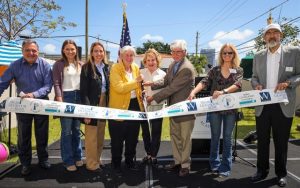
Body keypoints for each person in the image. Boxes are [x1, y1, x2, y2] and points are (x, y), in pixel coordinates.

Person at [251, 23, 300, 187]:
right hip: (263, 105)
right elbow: (254, 77)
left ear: (281, 35)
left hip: (283, 104)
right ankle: (261, 171)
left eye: (275, 32)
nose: (272, 35)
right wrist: (256, 85)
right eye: (268, 33)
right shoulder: (258, 55)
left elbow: (299, 75)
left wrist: (288, 83)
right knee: (262, 141)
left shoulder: (294, 52)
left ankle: (281, 174)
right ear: (264, 37)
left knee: (281, 142)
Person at [188, 43, 243, 177]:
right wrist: (193, 92)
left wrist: (223, 91)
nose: (227, 55)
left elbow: (238, 84)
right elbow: (205, 82)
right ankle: (214, 163)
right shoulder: (215, 70)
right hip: (215, 109)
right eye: (224, 53)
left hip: (230, 109)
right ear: (221, 55)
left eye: (230, 53)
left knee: (228, 138)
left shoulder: (238, 70)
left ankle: (225, 166)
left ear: (234, 54)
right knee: (215, 137)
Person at [0, 39, 53, 176]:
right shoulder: (14, 65)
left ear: (38, 51)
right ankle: (25, 164)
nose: (31, 53)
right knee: (24, 136)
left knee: (42, 134)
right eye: (28, 50)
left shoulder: (45, 65)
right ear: (22, 51)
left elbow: (48, 86)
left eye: (34, 50)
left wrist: (34, 94)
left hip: (41, 104)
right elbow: (2, 82)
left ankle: (43, 159)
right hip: (23, 106)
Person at [146, 40, 196, 177]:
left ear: (185, 52)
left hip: (185, 109)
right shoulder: (174, 64)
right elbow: (166, 80)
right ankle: (178, 161)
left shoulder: (186, 68)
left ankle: (185, 165)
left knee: (185, 138)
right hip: (174, 108)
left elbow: (171, 88)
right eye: (173, 51)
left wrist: (154, 98)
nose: (175, 54)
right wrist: (151, 84)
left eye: (178, 51)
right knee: (175, 136)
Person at [108, 45, 144, 174]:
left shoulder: (135, 67)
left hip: (135, 105)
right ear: (121, 56)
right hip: (118, 107)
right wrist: (136, 82)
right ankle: (116, 163)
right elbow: (119, 87)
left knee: (132, 137)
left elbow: (139, 86)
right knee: (117, 139)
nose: (129, 57)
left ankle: (129, 161)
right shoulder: (115, 68)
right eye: (126, 55)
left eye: (131, 55)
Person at [52, 40, 83, 172]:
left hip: (79, 97)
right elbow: (56, 83)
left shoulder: (81, 64)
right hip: (66, 98)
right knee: (66, 131)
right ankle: (68, 160)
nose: (70, 51)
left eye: (72, 49)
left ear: (76, 50)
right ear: (63, 50)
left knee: (76, 130)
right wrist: (59, 98)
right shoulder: (58, 64)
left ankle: (77, 156)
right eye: (67, 49)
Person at [80, 42, 109, 172]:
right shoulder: (86, 68)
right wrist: (87, 112)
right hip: (91, 105)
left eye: (101, 51)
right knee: (91, 136)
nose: (98, 54)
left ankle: (97, 159)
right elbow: (83, 91)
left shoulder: (106, 67)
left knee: (100, 134)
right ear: (91, 53)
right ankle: (91, 164)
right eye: (96, 51)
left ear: (104, 53)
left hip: (104, 103)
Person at [140, 49, 166, 165]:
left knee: (156, 132)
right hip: (144, 108)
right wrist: (142, 95)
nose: (151, 62)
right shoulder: (140, 73)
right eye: (148, 60)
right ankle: (148, 154)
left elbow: (165, 92)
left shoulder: (163, 74)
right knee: (145, 132)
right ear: (145, 61)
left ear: (157, 61)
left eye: (153, 60)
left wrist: (153, 98)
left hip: (157, 107)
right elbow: (138, 89)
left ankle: (154, 155)